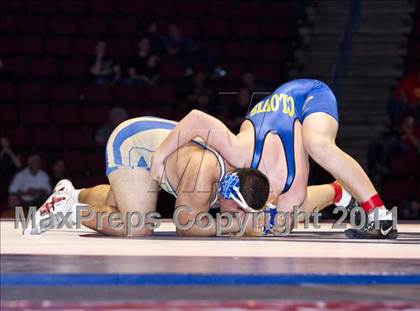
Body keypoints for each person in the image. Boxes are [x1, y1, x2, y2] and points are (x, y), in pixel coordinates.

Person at [151, 79, 398, 239]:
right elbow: (276, 222)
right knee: (280, 225)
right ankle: (339, 191)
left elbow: (196, 118)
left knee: (318, 145)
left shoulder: (240, 152)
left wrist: (159, 157)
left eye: (232, 212)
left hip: (310, 94)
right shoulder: (290, 191)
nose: (225, 211)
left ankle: (381, 215)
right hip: (277, 121)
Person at [26, 117, 270, 237]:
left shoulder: (237, 178)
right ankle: (66, 209)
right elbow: (185, 225)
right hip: (133, 144)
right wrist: (234, 225)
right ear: (229, 191)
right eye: (238, 209)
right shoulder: (204, 172)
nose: (237, 215)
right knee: (137, 227)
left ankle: (70, 193)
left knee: (117, 203)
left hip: (152, 143)